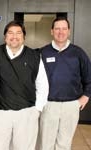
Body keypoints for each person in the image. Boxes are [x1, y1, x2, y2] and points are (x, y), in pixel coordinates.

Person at [0, 20, 49, 150]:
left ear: (24, 37)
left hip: (26, 113)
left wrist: (37, 109)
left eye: (18, 33)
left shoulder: (34, 56)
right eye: (10, 33)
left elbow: (42, 84)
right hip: (0, 113)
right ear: (5, 37)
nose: (14, 36)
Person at [39, 17, 91, 150]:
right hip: (49, 105)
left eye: (64, 29)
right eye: (57, 28)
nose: (60, 32)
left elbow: (88, 76)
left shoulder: (78, 53)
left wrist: (86, 96)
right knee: (46, 144)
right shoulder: (43, 53)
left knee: (64, 143)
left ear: (69, 31)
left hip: (71, 106)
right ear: (51, 31)